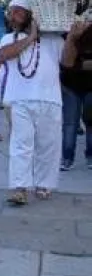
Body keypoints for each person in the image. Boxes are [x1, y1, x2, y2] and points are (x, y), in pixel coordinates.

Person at [0, 0, 64, 205]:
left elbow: (67, 61)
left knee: (48, 146)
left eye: (17, 12)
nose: (12, 16)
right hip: (20, 100)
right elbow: (4, 55)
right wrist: (31, 37)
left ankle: (44, 184)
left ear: (30, 15)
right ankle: (19, 188)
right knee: (20, 145)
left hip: (50, 99)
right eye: (10, 12)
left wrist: (74, 37)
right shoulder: (8, 39)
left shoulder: (54, 40)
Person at [59, 19, 92, 170]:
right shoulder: (69, 29)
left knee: (89, 123)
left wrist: (78, 64)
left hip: (85, 84)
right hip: (70, 84)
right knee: (70, 124)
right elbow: (67, 62)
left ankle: (89, 156)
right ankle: (67, 157)